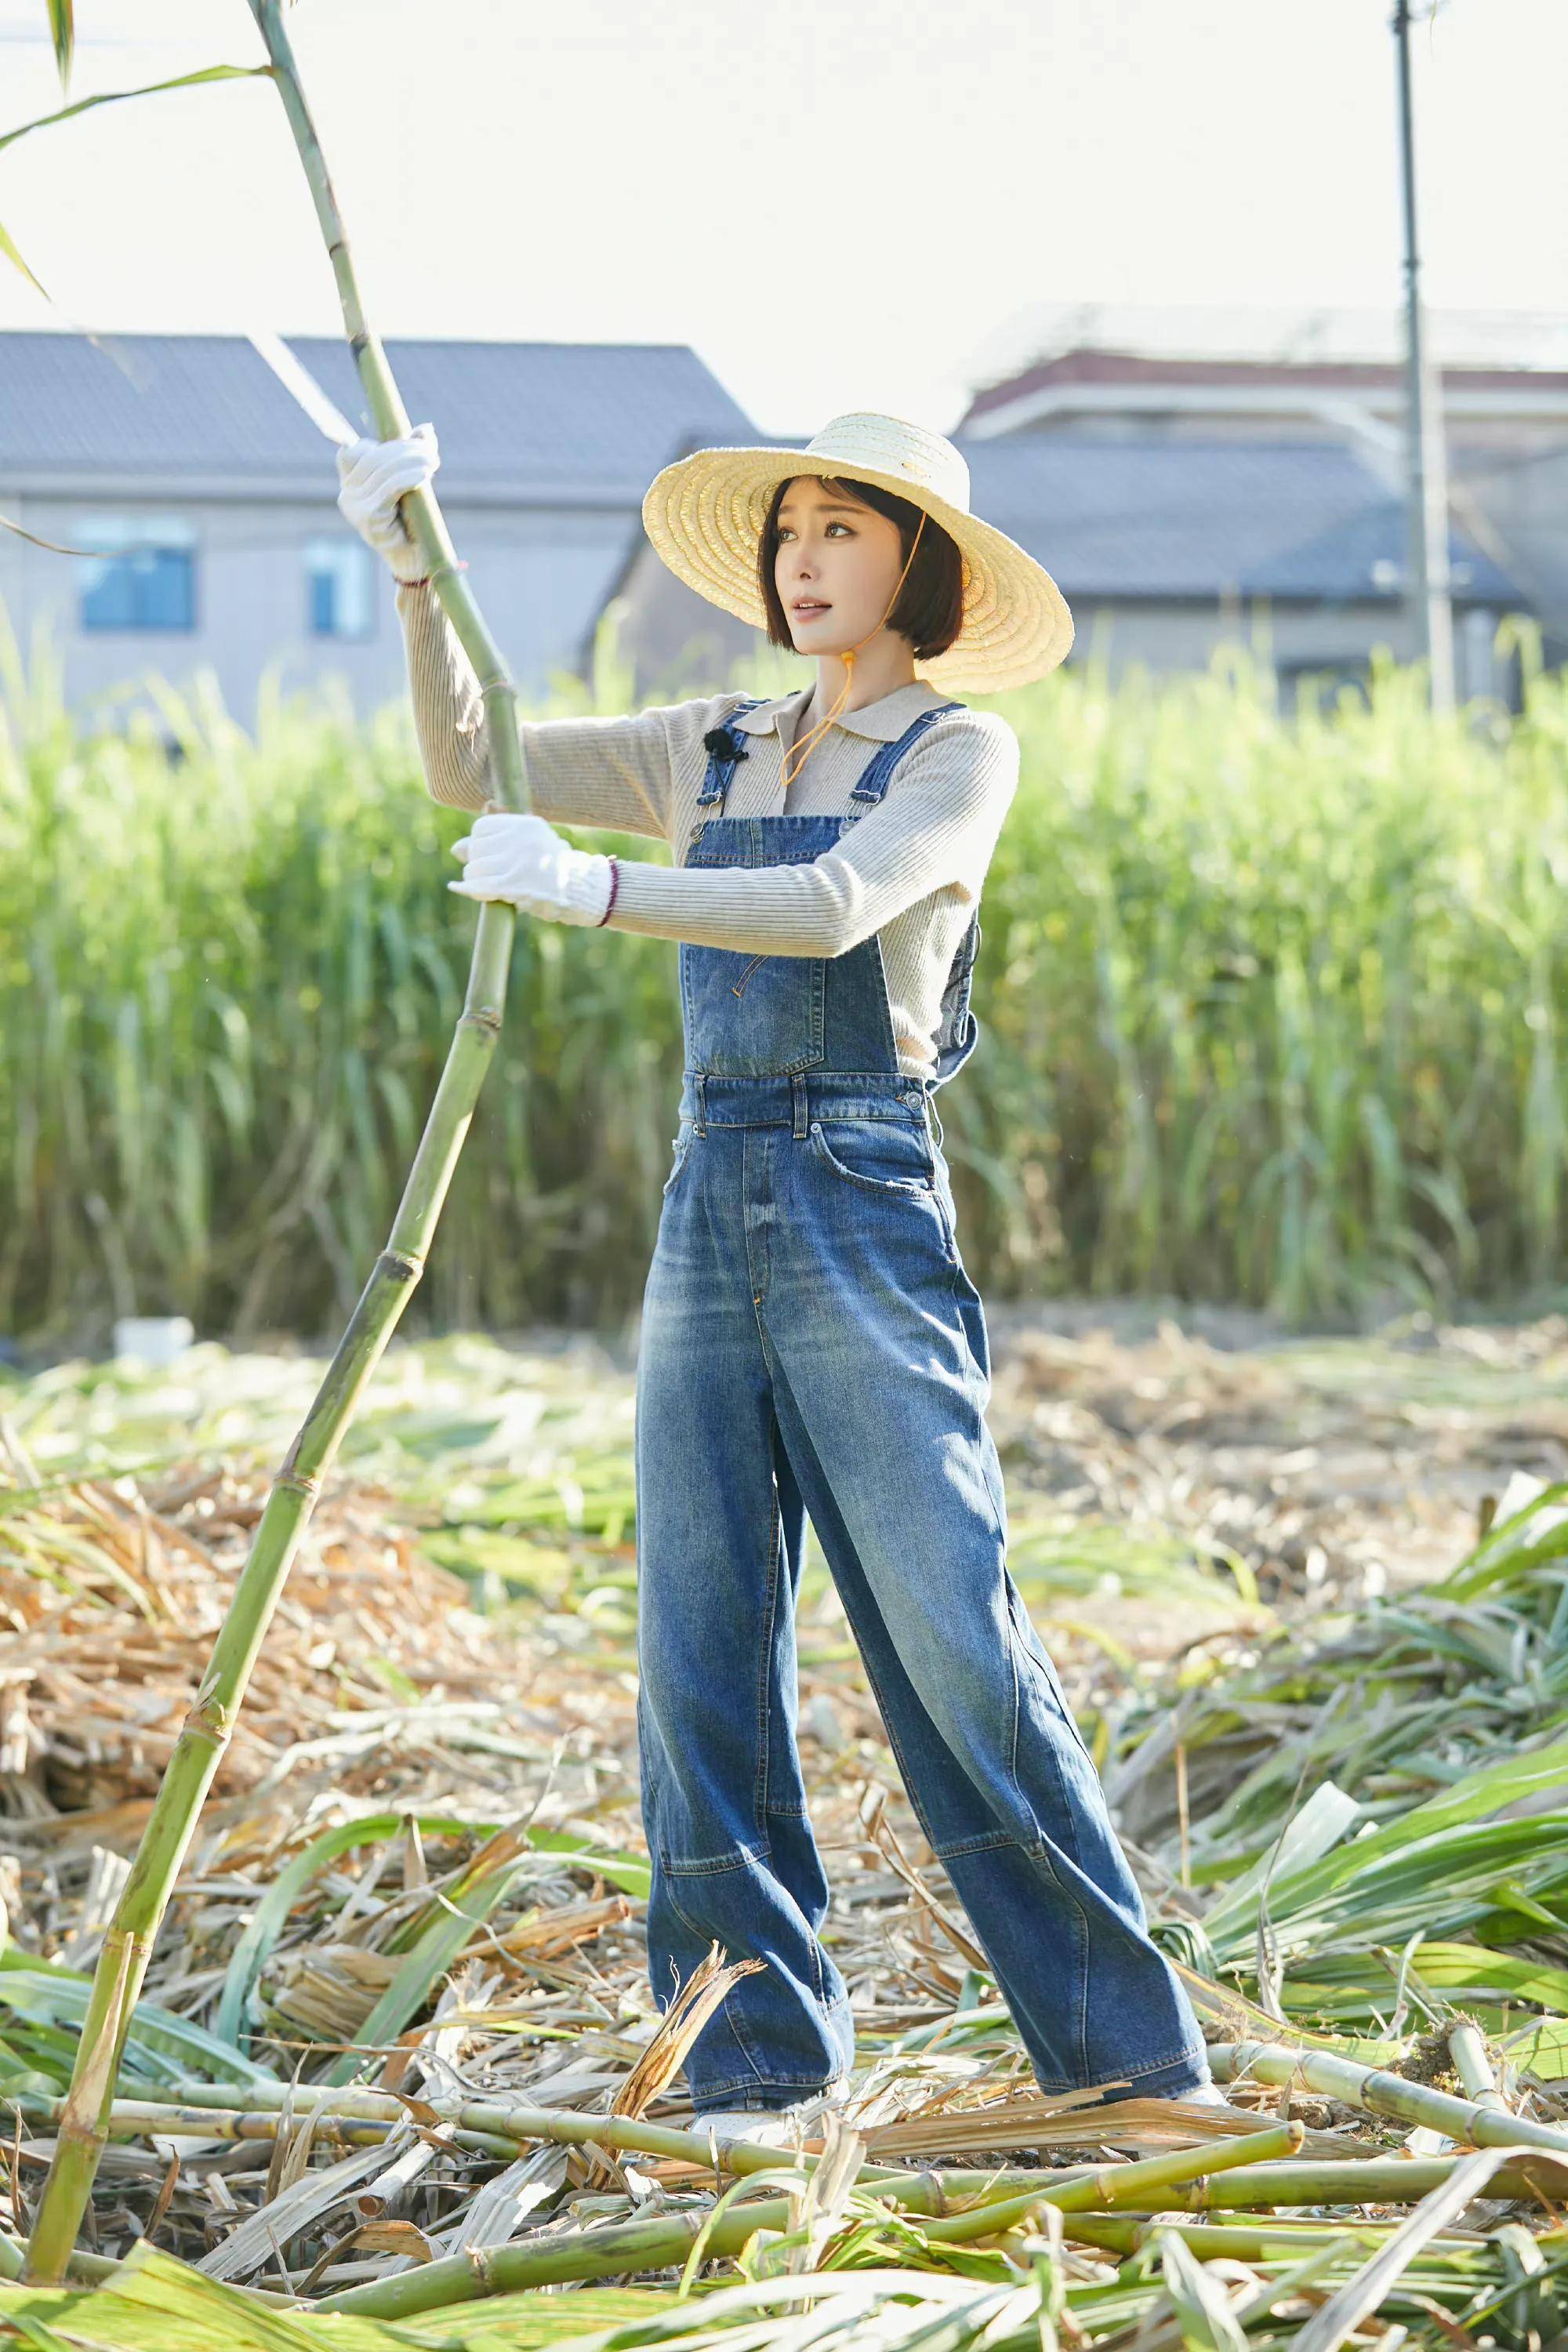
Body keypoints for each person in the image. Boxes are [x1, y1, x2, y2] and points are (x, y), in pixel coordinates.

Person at [337, 412, 1225, 2141]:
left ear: (923, 568)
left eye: (844, 530)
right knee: (698, 1635)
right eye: (791, 532)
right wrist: (412, 575)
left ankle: (1129, 2060)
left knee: (951, 1634)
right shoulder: (714, 740)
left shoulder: (957, 756)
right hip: (708, 1183)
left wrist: (598, 892)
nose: (805, 559)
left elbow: (830, 910)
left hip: (854, 1188)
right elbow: (469, 762)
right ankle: (749, 2068)